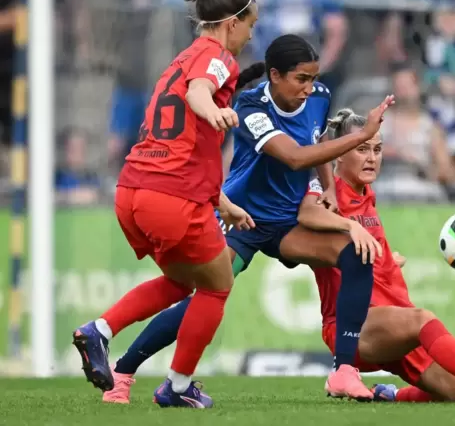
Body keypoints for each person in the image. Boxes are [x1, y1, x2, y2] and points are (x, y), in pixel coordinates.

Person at [100, 34, 394, 405]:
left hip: (289, 222)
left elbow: (316, 144)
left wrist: (329, 189)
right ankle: (124, 373)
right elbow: (294, 157)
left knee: (356, 252)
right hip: (243, 221)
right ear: (274, 75)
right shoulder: (251, 106)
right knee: (202, 297)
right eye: (300, 79)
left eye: (312, 78)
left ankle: (344, 371)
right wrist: (363, 135)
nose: (308, 88)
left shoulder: (319, 96)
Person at [72, 0, 259, 409]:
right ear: (232, 22)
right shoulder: (216, 58)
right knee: (217, 285)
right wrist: (213, 110)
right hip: (171, 198)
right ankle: (177, 386)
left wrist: (223, 202)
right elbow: (199, 94)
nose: (250, 37)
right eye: (250, 26)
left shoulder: (179, 60)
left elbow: (184, 144)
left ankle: (99, 330)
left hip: (134, 191)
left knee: (178, 282)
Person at [302, 108, 455, 406]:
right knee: (422, 320)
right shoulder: (327, 193)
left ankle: (389, 395)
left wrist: (387, 262)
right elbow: (306, 214)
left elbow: (362, 246)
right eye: (361, 149)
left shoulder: (365, 191)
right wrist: (346, 227)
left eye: (377, 149)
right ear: (338, 154)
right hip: (356, 328)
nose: (372, 158)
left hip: (394, 318)